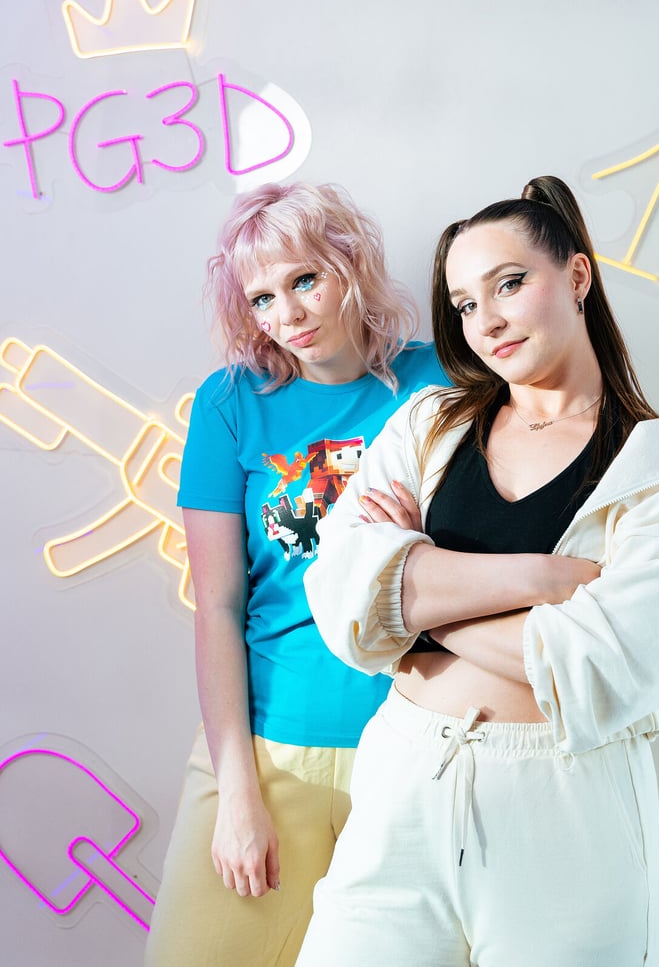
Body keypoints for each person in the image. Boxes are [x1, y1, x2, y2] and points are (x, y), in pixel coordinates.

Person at [297, 176, 659, 967]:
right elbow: (340, 595)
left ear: (576, 275)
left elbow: (605, 668)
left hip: (565, 812)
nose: (487, 321)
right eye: (465, 303)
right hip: (402, 784)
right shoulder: (429, 424)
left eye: (508, 284)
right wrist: (538, 580)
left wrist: (414, 600)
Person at [144, 181, 445, 967]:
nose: (288, 313)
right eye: (263, 297)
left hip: (414, 749)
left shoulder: (441, 383)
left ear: (351, 263)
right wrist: (237, 792)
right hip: (269, 748)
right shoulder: (231, 404)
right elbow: (217, 605)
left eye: (305, 278)